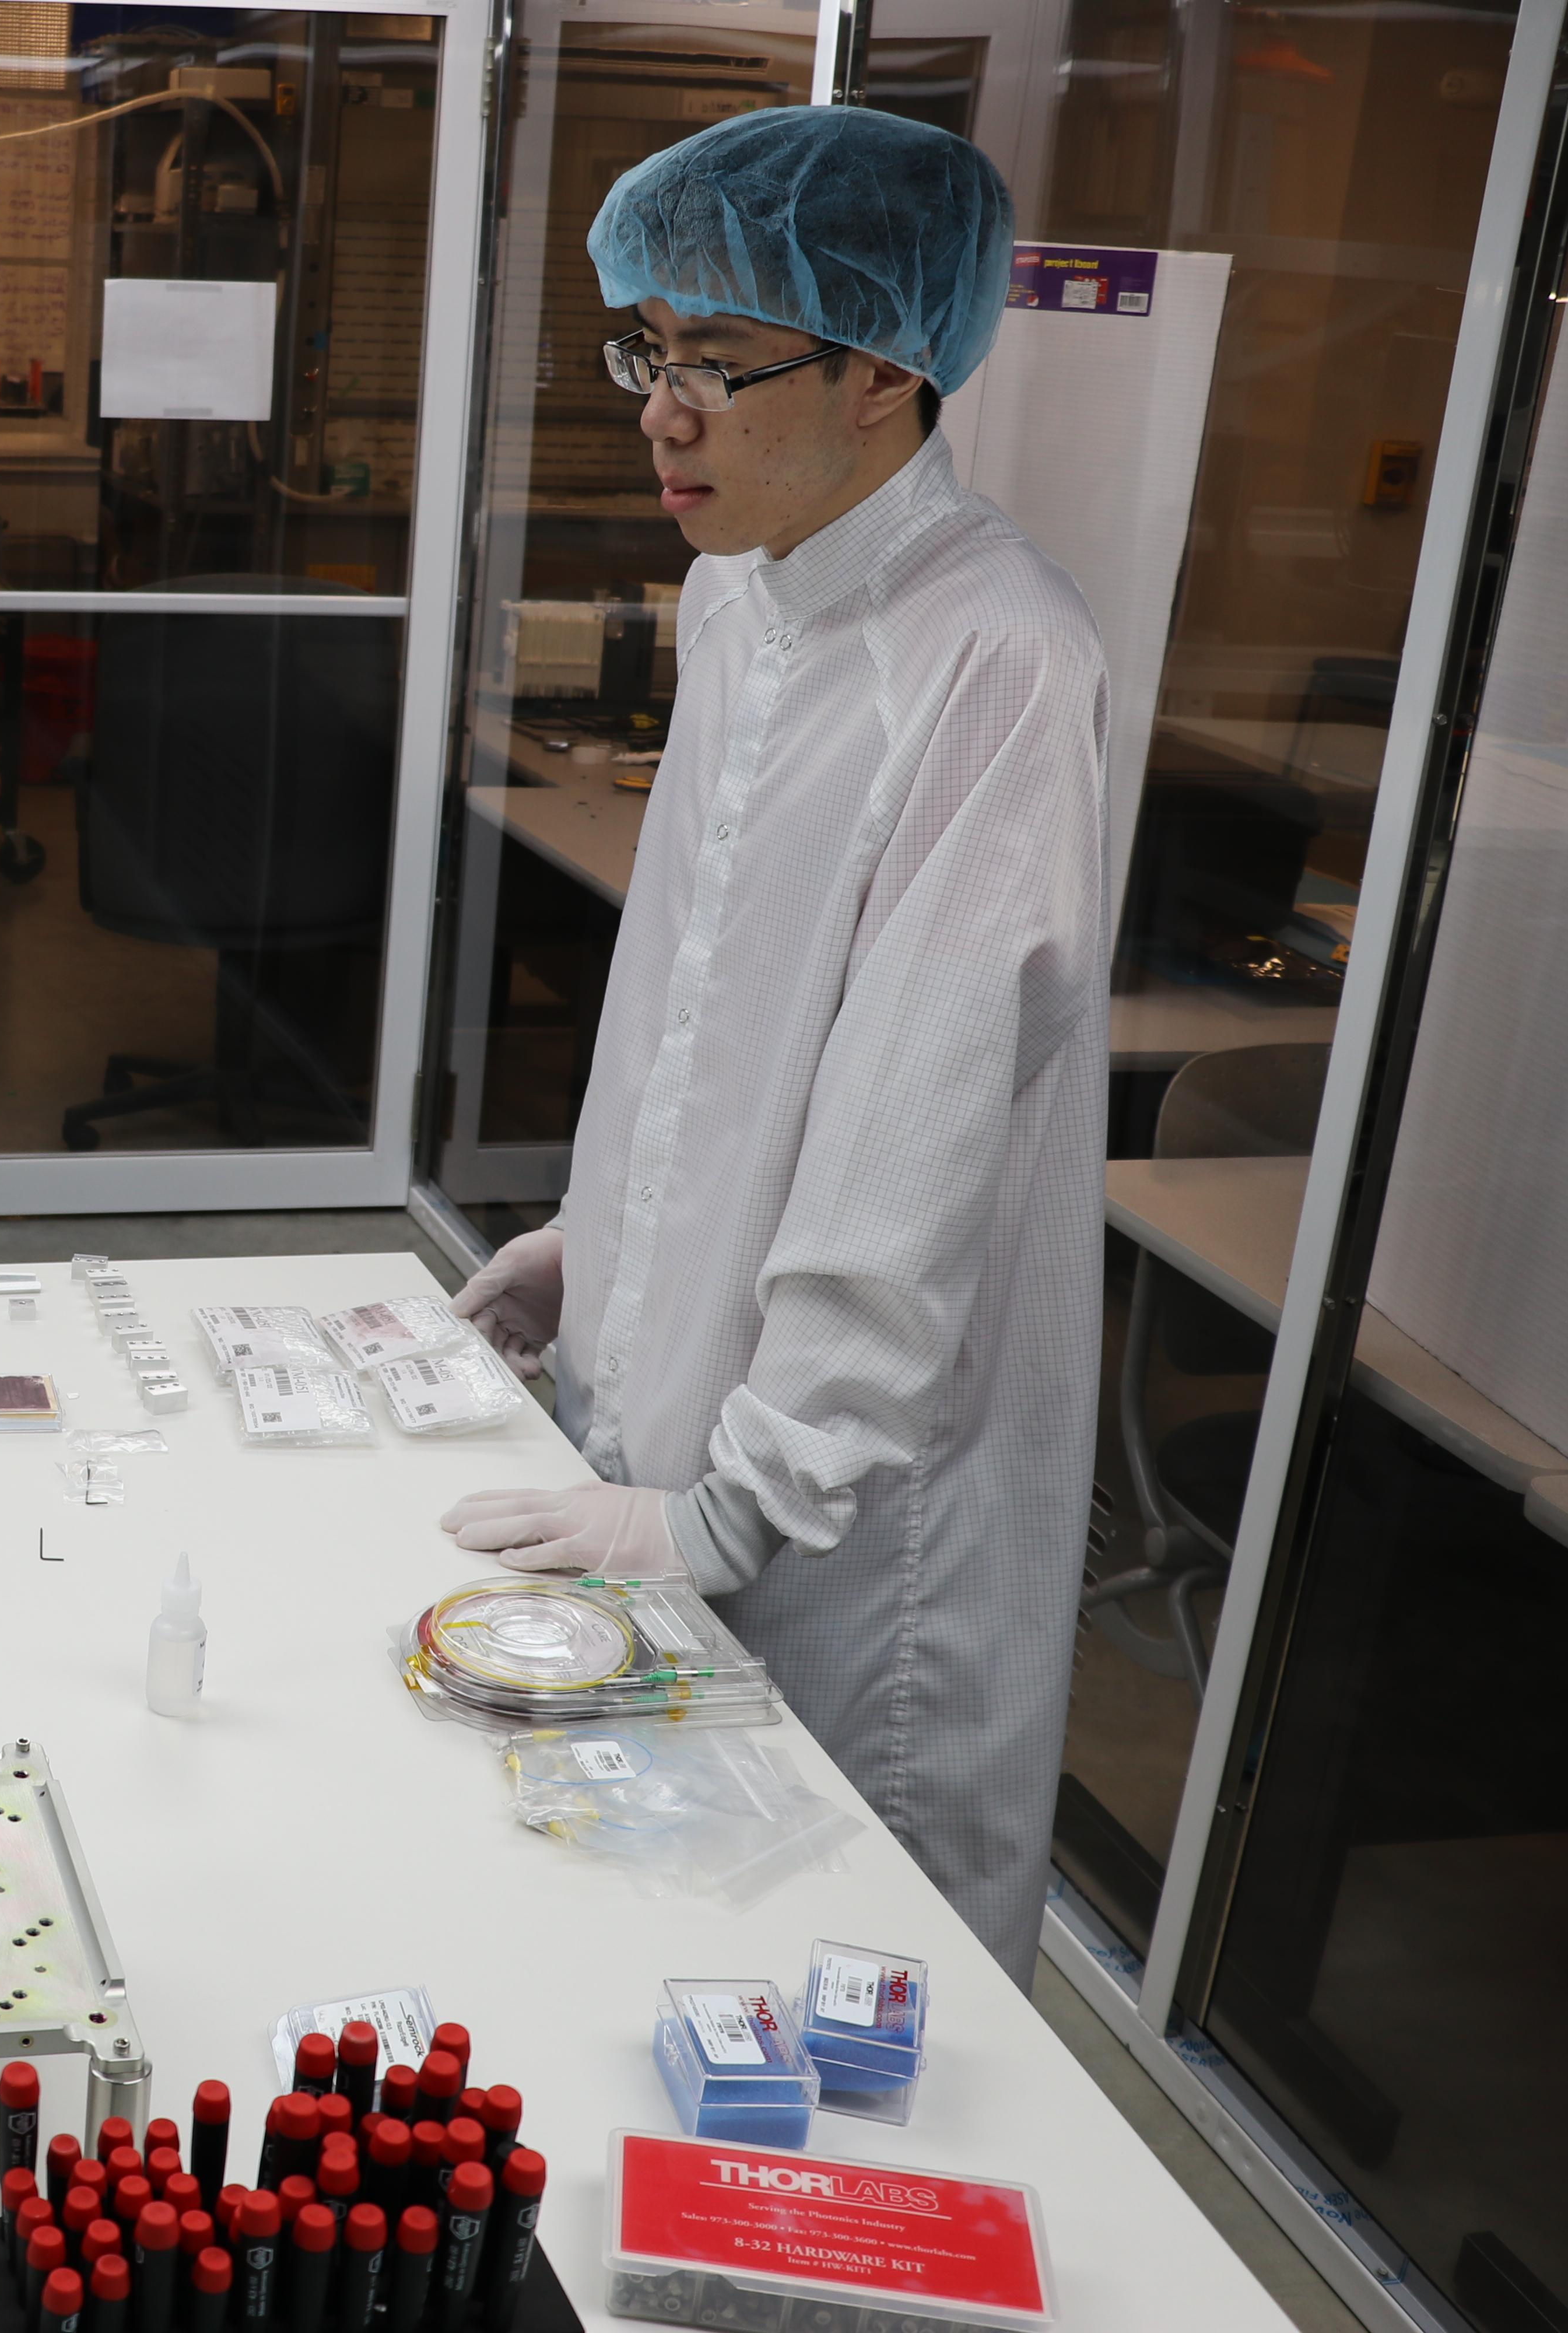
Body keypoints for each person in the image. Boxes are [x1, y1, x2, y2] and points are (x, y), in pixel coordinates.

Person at [435, 107, 1109, 1981]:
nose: (661, 413)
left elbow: (915, 1129)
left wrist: (735, 1504)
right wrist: (600, 1251)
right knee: (633, 1944)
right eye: (646, 352)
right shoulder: (740, 593)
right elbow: (697, 1004)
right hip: (672, 1399)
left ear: (887, 373)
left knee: (830, 1998)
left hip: (837, 1506)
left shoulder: (997, 661)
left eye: (717, 367)